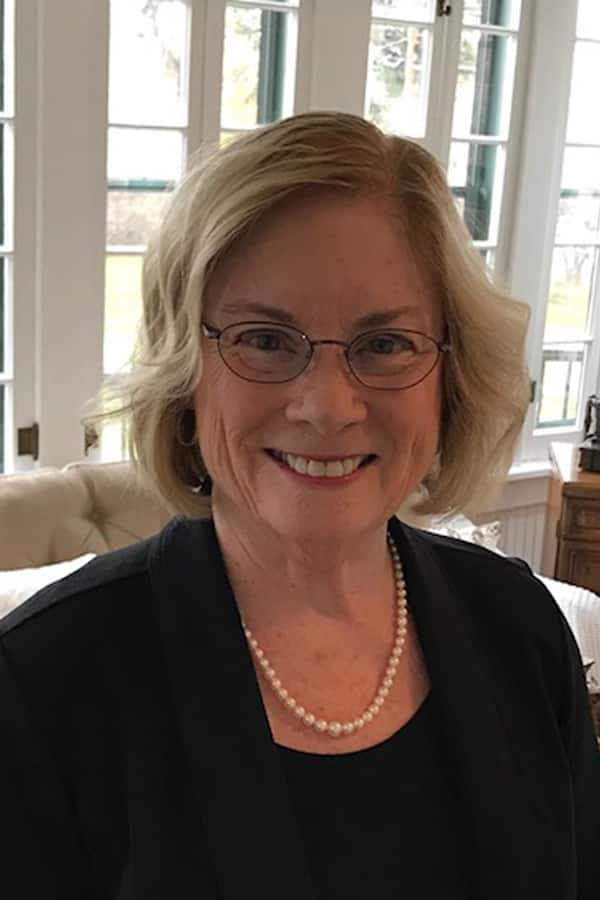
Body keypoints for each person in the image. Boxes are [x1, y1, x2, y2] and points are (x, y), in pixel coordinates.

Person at [1, 111, 598, 900]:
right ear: (184, 374)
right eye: (264, 339)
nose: (326, 407)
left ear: (449, 380)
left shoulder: (522, 630)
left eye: (385, 344)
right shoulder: (41, 682)